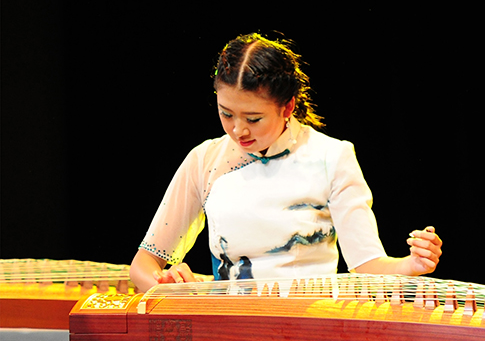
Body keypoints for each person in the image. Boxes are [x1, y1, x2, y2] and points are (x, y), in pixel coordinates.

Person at [130, 33, 442, 292]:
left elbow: (367, 266)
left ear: (287, 106)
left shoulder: (330, 157)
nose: (238, 130)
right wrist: (170, 287)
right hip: (230, 322)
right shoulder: (205, 160)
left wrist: (410, 265)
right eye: (226, 113)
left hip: (307, 322)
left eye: (253, 118)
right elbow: (144, 264)